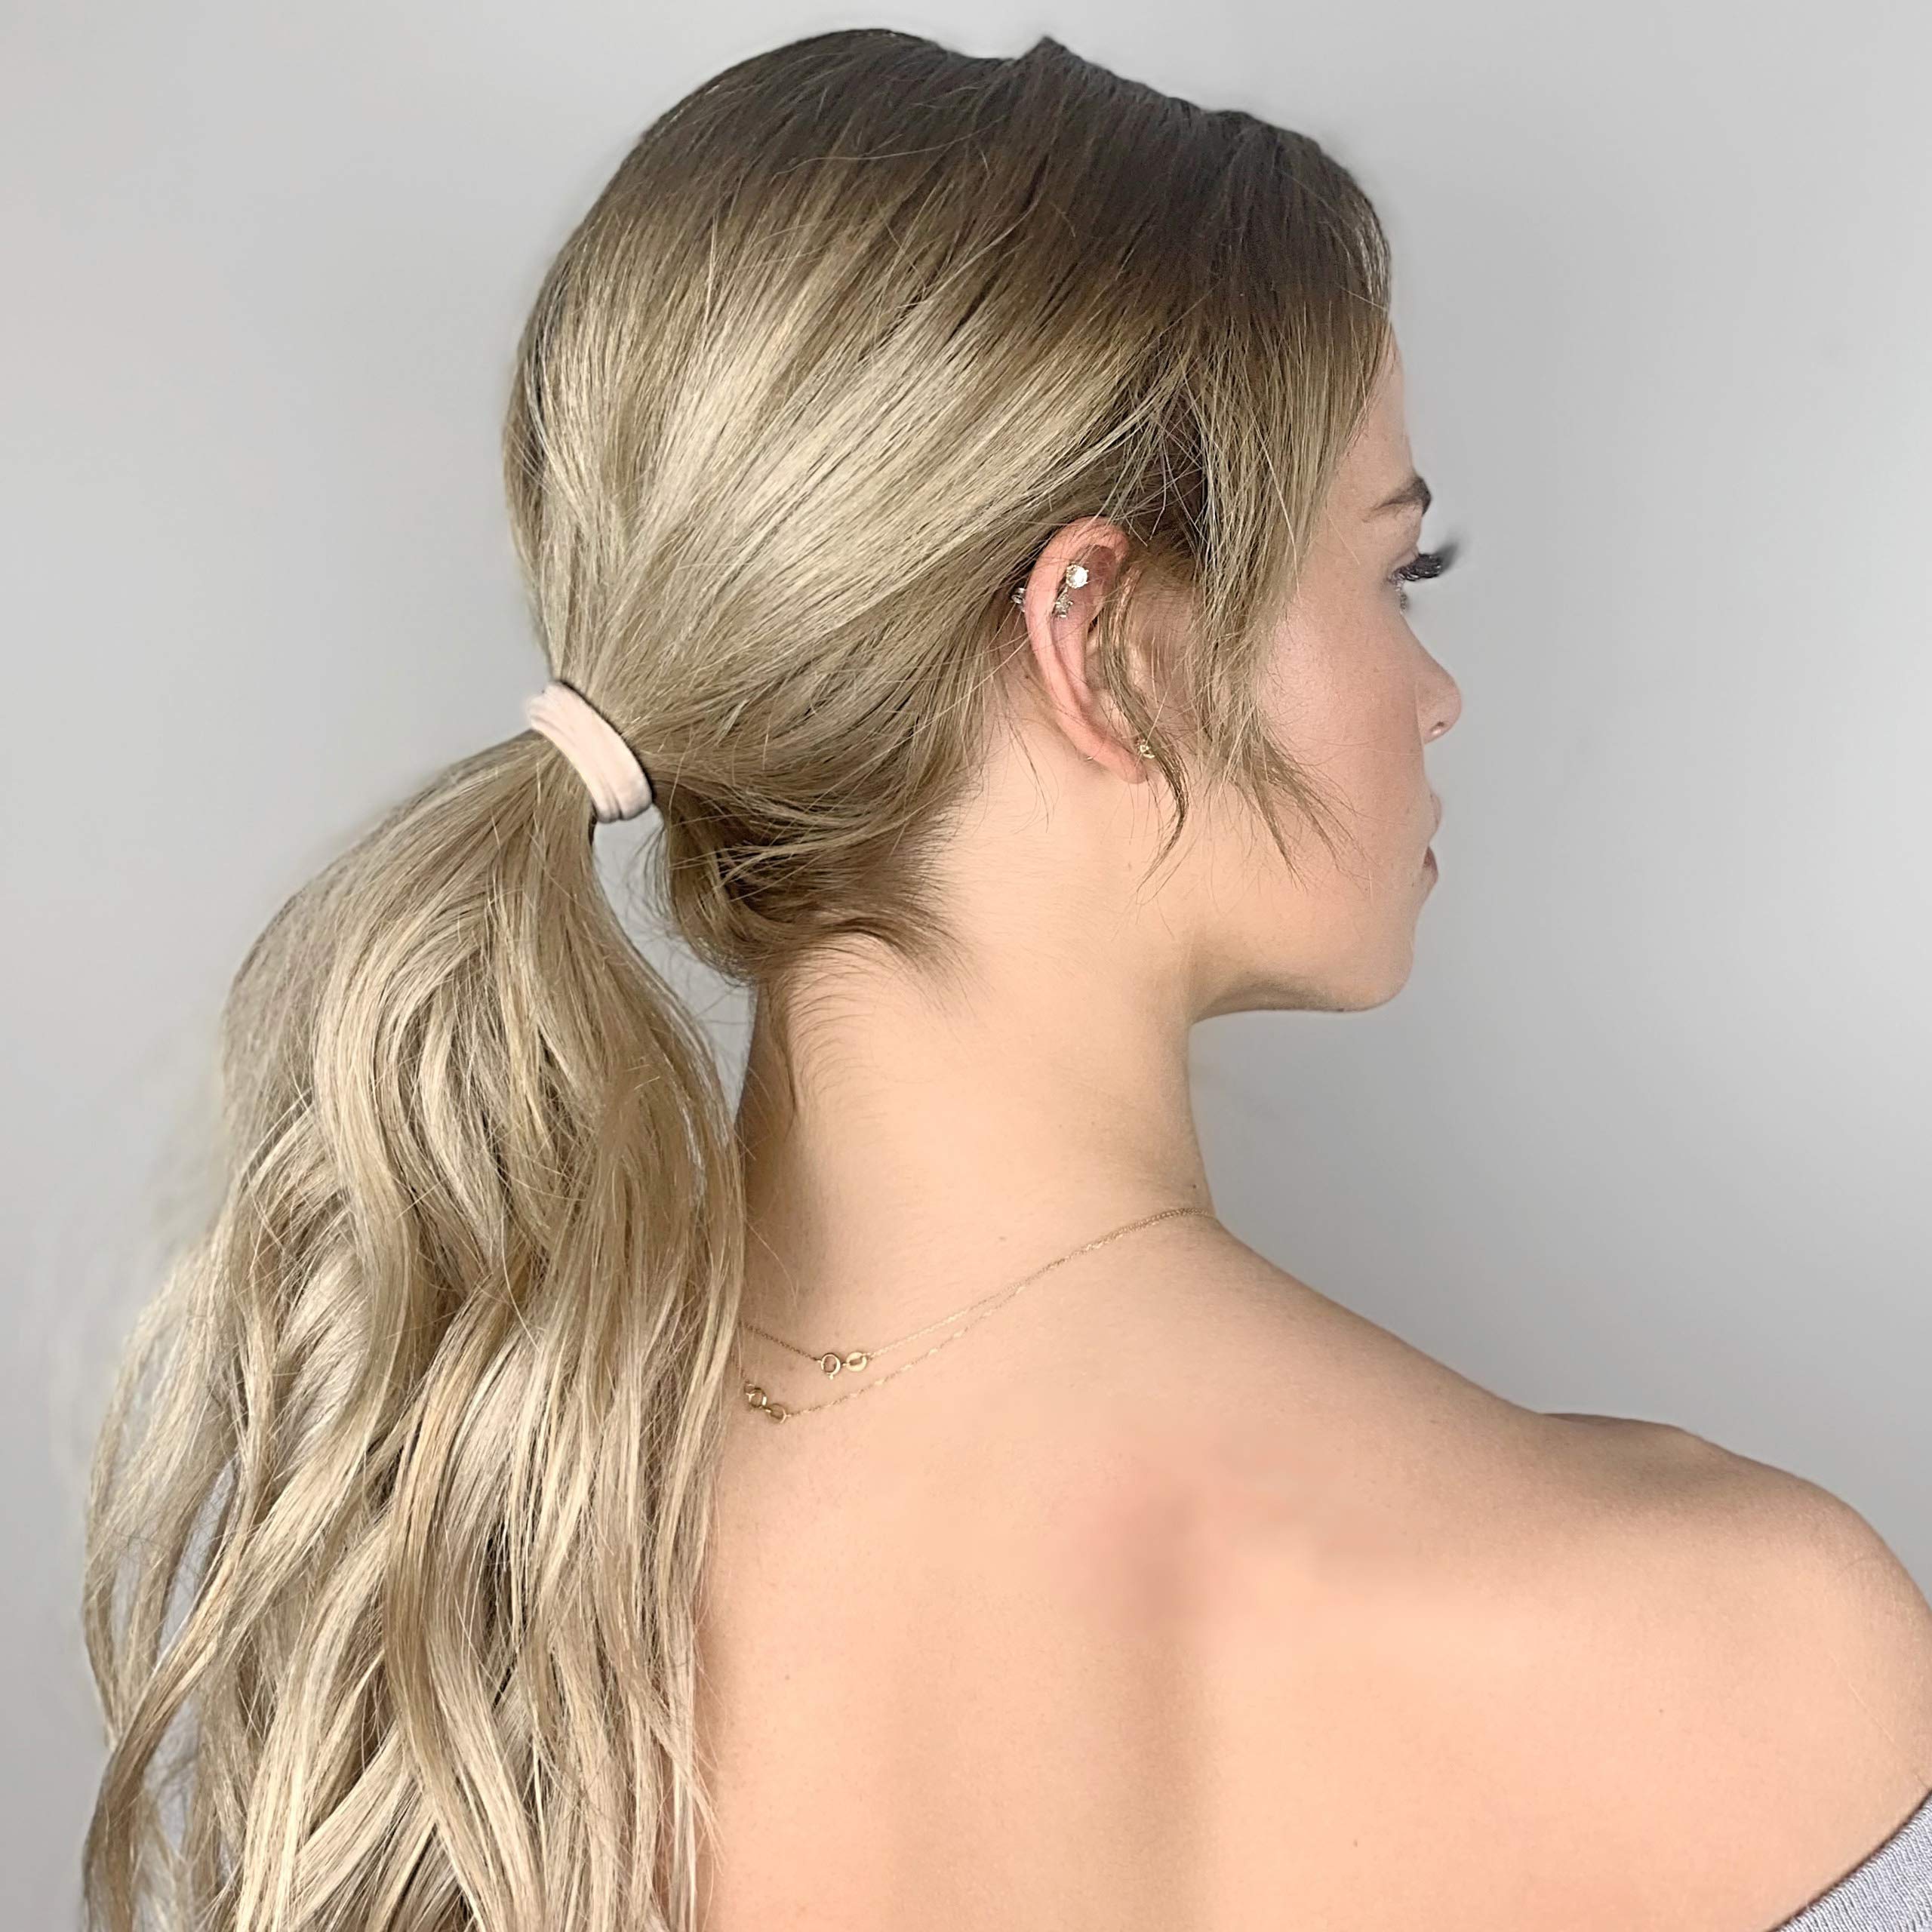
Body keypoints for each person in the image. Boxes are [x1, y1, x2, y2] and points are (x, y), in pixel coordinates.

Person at [78, 26, 1932, 1932]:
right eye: (1397, 570)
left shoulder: (414, 1609)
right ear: (1103, 643)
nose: (1436, 689)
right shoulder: (1742, 1653)